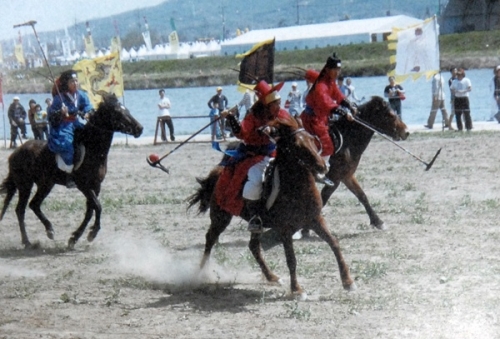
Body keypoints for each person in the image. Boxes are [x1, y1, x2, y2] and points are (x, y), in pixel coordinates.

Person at [221, 80, 289, 233]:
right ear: (267, 105)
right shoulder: (253, 116)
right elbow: (241, 133)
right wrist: (231, 118)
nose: (279, 106)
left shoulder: (282, 113)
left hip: (275, 151)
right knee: (255, 180)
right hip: (254, 155)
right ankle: (254, 216)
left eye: (279, 102)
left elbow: (291, 126)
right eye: (276, 103)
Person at [301, 52, 355, 183]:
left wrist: (348, 104)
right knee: (327, 144)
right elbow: (326, 102)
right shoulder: (321, 85)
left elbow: (337, 95)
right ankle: (318, 170)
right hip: (312, 119)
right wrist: (342, 111)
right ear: (328, 69)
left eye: (339, 70)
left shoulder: (331, 82)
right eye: (335, 70)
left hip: (322, 119)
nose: (337, 73)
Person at [48, 69, 94, 188]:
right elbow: (51, 115)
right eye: (72, 81)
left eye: (76, 80)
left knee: (91, 137)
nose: (75, 83)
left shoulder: (81, 95)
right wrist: (60, 112)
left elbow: (87, 106)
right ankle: (68, 175)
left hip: (75, 123)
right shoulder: (59, 98)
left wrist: (88, 112)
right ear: (66, 84)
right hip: (63, 126)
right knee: (66, 144)